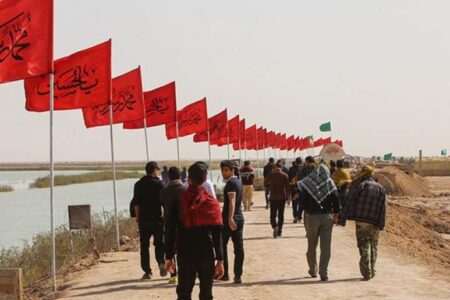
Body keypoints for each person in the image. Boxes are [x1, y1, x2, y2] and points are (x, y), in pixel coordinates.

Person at [164, 162, 224, 300]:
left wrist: (168, 256)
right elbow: (217, 234)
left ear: (189, 178)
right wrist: (220, 259)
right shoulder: (211, 202)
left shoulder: (179, 200)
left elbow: (170, 230)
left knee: (184, 293)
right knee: (206, 294)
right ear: (205, 179)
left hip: (185, 253)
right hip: (206, 253)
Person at [339, 165, 387, 281]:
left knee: (364, 245)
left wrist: (343, 219)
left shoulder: (360, 186)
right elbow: (384, 208)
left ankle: (367, 272)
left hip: (361, 222)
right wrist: (381, 223)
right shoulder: (381, 188)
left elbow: (350, 201)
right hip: (375, 222)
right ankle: (372, 269)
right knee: (374, 246)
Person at [298, 163, 340, 282]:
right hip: (327, 217)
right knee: (325, 247)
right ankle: (324, 273)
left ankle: (313, 270)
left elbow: (301, 203)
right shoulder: (330, 183)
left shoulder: (307, 183)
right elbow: (336, 201)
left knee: (312, 245)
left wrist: (306, 211)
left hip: (311, 218)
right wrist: (336, 216)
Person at [133, 161, 167, 280]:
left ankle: (147, 271)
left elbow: (136, 204)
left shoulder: (138, 184)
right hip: (157, 219)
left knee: (144, 246)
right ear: (154, 170)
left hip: (144, 221)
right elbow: (164, 202)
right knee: (159, 243)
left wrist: (138, 218)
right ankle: (160, 262)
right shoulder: (159, 184)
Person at [220, 160, 245, 284]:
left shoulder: (231, 183)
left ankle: (225, 274)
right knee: (238, 248)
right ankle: (237, 275)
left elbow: (232, 200)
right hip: (239, 218)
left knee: (222, 245)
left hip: (230, 219)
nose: (223, 173)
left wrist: (230, 217)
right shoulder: (238, 181)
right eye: (222, 170)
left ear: (232, 170)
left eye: (226, 170)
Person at [160, 167, 185, 284]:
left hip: (169, 223)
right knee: (183, 248)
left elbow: (163, 205)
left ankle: (173, 275)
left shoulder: (164, 191)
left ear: (169, 177)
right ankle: (185, 272)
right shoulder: (185, 189)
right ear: (180, 175)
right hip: (184, 224)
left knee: (170, 250)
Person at [266, 162, 291, 238]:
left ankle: (275, 226)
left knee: (272, 215)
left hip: (273, 197)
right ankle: (280, 231)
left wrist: (270, 184)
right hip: (282, 197)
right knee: (281, 215)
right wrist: (288, 198)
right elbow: (287, 188)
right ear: (282, 167)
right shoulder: (284, 175)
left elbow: (265, 182)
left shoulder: (271, 174)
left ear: (275, 167)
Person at [288, 158, 303, 223]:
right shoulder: (303, 169)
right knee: (301, 203)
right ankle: (299, 216)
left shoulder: (291, 169)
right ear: (301, 162)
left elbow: (288, 179)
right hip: (301, 188)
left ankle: (295, 216)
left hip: (293, 188)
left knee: (294, 203)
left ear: (296, 162)